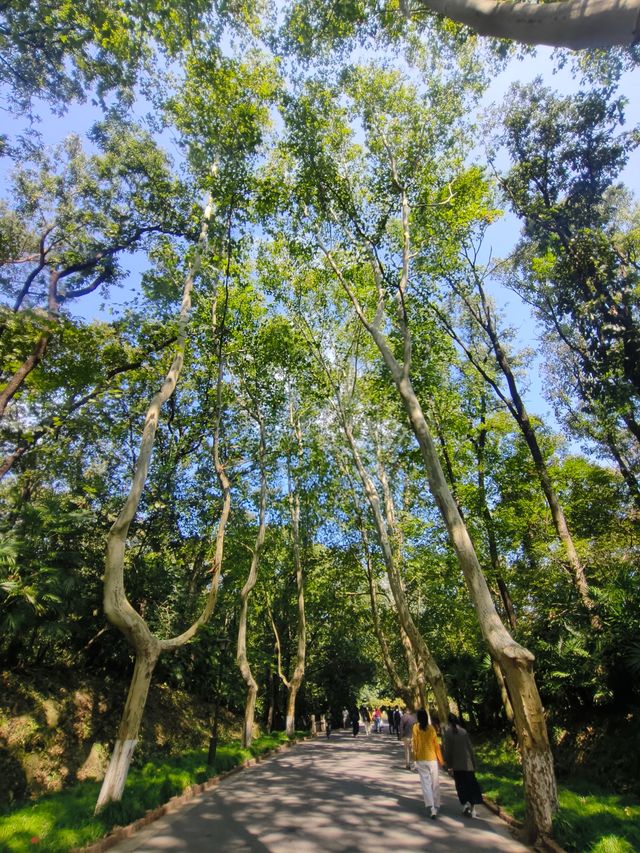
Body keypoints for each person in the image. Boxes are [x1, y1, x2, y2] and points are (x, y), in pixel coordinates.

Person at [442, 712, 483, 818]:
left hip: (457, 765)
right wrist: (474, 763)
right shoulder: (464, 732)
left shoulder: (448, 733)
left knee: (461, 786)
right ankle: (473, 809)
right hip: (468, 764)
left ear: (449, 722)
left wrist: (448, 765)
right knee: (471, 785)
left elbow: (448, 751)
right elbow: (470, 749)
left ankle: (465, 805)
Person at [412, 708, 444, 819]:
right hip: (432, 759)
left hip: (421, 759)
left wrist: (414, 758)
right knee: (435, 783)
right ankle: (437, 804)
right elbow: (436, 746)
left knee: (425, 784)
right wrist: (441, 760)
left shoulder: (416, 728)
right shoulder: (431, 729)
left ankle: (431, 807)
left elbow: (414, 744)